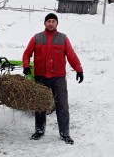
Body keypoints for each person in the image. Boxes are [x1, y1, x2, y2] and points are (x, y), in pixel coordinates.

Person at [22, 13, 83, 145]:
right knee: (40, 104)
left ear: (57, 23)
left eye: (53, 21)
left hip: (58, 78)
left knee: (62, 105)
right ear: (45, 23)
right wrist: (26, 65)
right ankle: (39, 130)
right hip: (41, 77)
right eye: (48, 21)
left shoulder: (63, 38)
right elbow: (27, 53)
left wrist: (79, 69)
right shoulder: (37, 38)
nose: (50, 23)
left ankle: (65, 133)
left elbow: (71, 55)